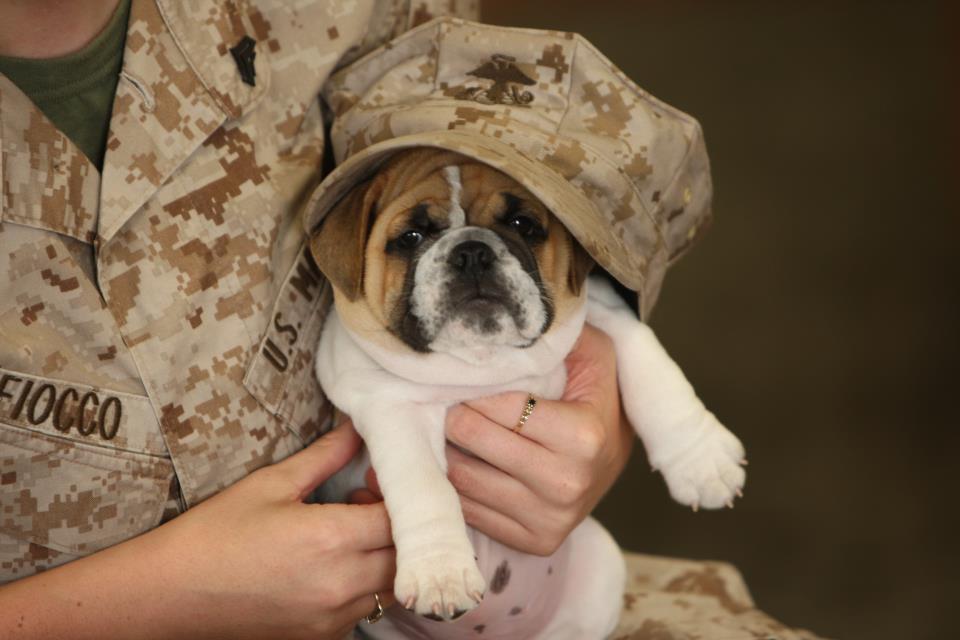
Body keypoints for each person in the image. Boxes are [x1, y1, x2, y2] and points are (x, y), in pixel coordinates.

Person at [0, 2, 827, 639]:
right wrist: (145, 601)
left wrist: (604, 398)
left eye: (509, 235)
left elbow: (558, 169)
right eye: (421, 234)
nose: (471, 257)